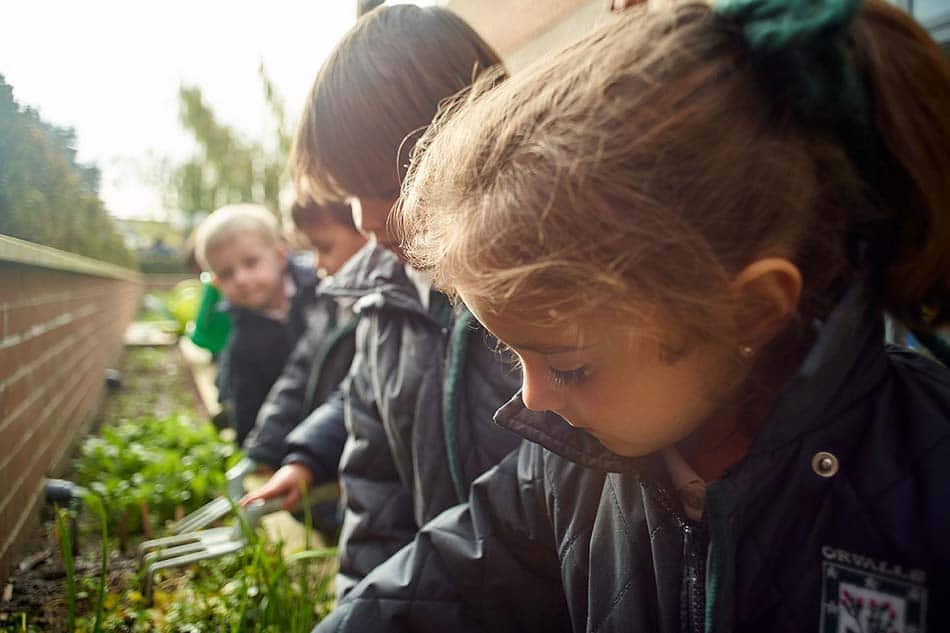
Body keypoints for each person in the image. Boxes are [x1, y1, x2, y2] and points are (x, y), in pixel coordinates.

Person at [315, 1, 950, 632]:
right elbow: (435, 584)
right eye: (513, 354)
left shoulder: (926, 476)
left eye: (570, 366)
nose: (530, 400)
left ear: (750, 311)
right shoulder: (565, 469)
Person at [242, 4, 521, 598]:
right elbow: (373, 487)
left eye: (392, 188)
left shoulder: (535, 298)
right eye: (348, 197)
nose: (367, 220)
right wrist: (358, 601)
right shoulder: (382, 301)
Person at [194, 203, 317, 446]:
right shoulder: (242, 343)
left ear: (280, 256)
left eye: (250, 263)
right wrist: (253, 446)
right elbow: (248, 406)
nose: (241, 279)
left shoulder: (320, 291)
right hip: (290, 435)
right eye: (227, 274)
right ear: (217, 284)